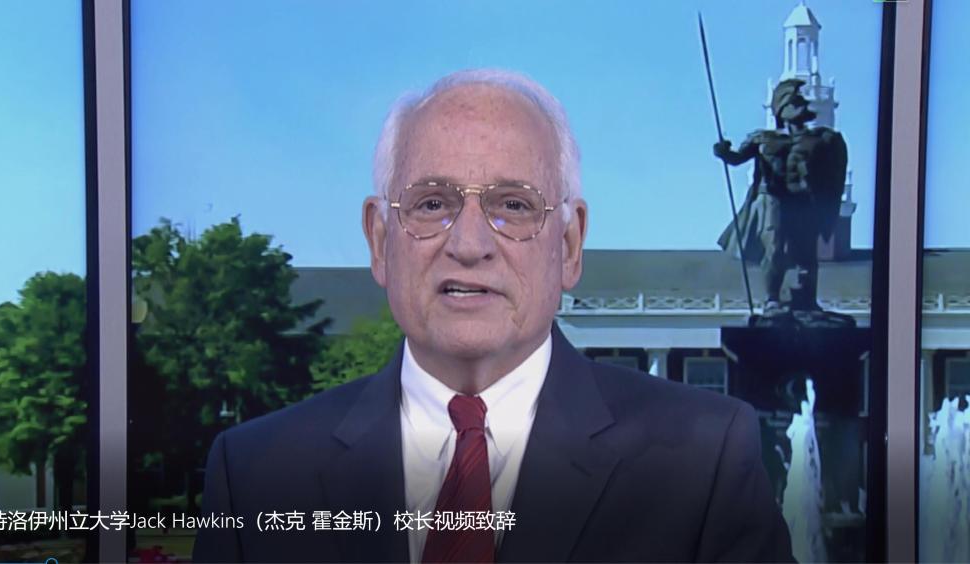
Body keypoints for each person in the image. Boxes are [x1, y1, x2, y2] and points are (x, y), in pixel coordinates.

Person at [193, 69, 795, 563]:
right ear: (380, 240)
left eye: (514, 205)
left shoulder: (704, 462)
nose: (470, 244)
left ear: (569, 246)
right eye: (432, 203)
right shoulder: (254, 474)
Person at [713, 79, 848, 317]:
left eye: (801, 100)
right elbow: (735, 159)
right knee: (774, 248)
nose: (800, 104)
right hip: (772, 198)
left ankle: (807, 299)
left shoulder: (822, 140)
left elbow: (832, 172)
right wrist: (723, 152)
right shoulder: (763, 139)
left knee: (806, 253)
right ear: (780, 110)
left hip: (802, 201)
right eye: (793, 101)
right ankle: (772, 299)